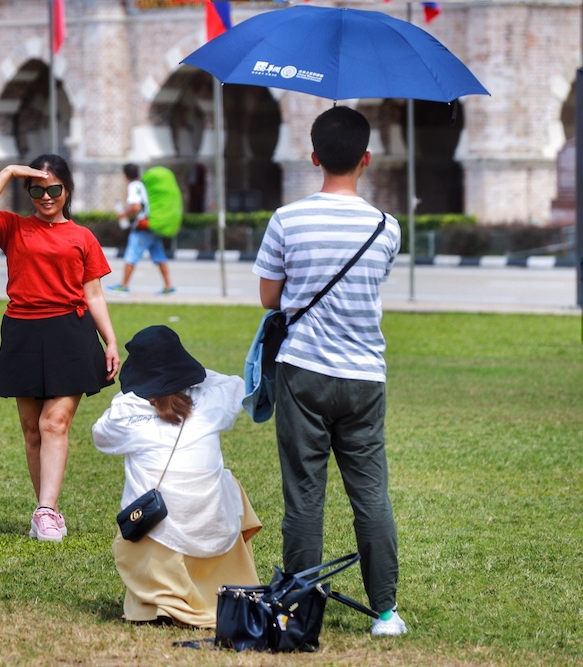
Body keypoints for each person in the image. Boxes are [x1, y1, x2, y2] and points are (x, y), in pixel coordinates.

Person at [252, 106, 407, 636]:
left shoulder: (286, 220)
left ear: (313, 157)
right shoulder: (387, 227)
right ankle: (385, 612)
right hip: (365, 376)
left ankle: (297, 608)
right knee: (370, 493)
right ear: (366, 159)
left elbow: (270, 297)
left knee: (304, 492)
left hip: (304, 372)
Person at [0, 153, 120, 543]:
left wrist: (111, 340)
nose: (46, 196)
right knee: (31, 431)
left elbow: (94, 294)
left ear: (67, 190)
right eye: (37, 189)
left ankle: (47, 511)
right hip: (22, 331)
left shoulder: (82, 237)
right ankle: (45, 508)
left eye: (54, 189)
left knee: (54, 423)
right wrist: (8, 171)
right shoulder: (14, 227)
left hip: (70, 331)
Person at [92, 325, 262, 628]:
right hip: (213, 528)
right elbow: (235, 384)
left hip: (157, 531)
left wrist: (133, 394)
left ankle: (160, 601)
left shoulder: (126, 413)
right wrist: (191, 375)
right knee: (227, 481)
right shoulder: (214, 402)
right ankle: (223, 586)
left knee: (143, 493)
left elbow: (101, 436)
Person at [106, 163, 175, 295]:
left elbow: (136, 207)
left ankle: (124, 286)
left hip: (142, 227)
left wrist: (124, 213)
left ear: (126, 175)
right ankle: (168, 286)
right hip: (151, 225)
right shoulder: (143, 184)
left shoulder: (133, 186)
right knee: (159, 256)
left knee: (131, 255)